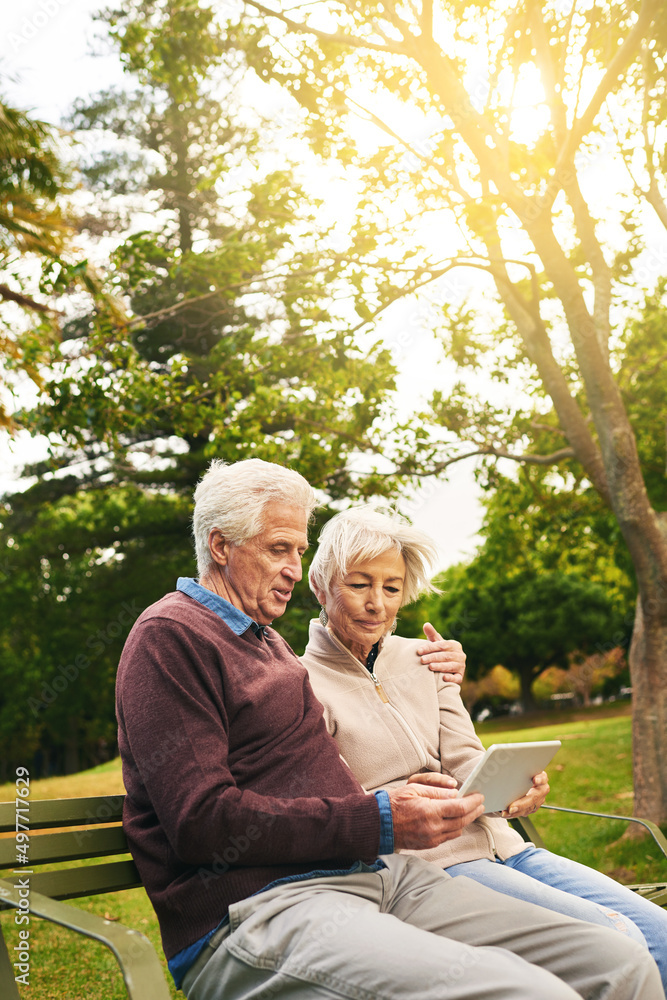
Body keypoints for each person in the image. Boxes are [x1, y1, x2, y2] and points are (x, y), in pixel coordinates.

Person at [116, 459, 663, 1000]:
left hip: (374, 880)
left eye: (298, 550)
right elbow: (201, 822)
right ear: (220, 546)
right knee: (525, 990)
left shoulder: (267, 645)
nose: (291, 567)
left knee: (619, 960)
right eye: (278, 549)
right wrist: (380, 817)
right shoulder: (173, 636)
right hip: (260, 910)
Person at [303, 504, 667, 997]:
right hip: (437, 869)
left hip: (506, 845)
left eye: (391, 588)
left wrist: (516, 786)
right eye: (359, 584)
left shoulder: (426, 658)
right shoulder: (302, 685)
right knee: (617, 940)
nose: (378, 604)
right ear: (322, 585)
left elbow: (465, 757)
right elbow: (345, 807)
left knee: (660, 935)